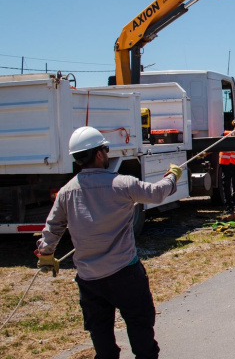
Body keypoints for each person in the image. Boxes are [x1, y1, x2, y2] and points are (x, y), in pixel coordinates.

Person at [35, 126, 182, 359]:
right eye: (106, 149)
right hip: (125, 273)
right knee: (140, 330)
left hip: (89, 280)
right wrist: (172, 176)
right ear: (100, 154)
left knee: (102, 339)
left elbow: (53, 226)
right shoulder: (122, 184)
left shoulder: (67, 192)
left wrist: (45, 254)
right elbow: (156, 194)